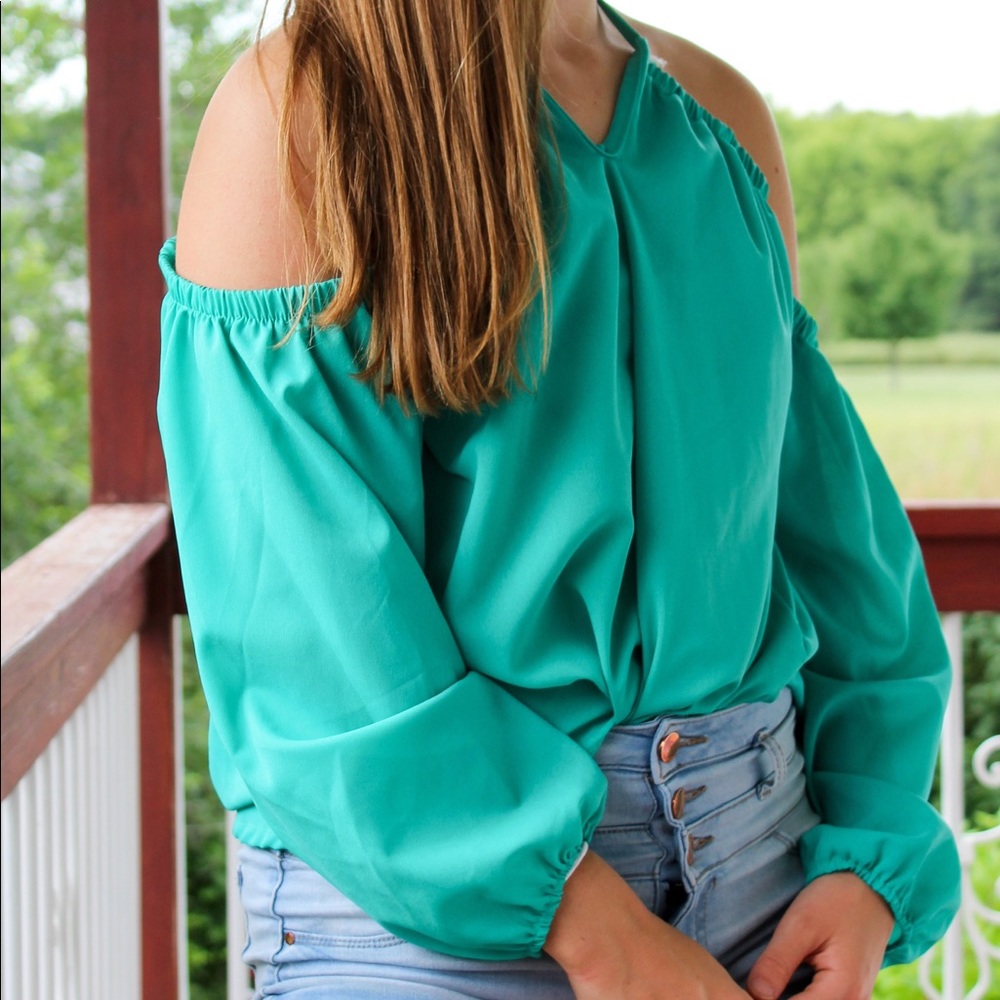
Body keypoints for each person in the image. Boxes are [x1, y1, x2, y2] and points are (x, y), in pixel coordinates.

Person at [157, 1, 961, 997]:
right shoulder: (298, 114)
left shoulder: (717, 114)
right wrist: (591, 924)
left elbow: (831, 533)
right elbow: (310, 634)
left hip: (768, 869)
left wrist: (867, 851)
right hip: (426, 926)